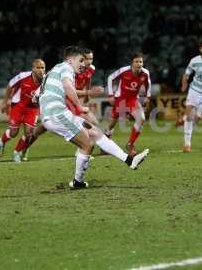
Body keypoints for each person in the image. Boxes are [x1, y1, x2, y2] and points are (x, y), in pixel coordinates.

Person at [39, 46, 149, 189]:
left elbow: (38, 94)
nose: (83, 64)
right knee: (87, 144)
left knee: (95, 132)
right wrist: (79, 107)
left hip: (57, 114)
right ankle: (78, 182)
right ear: (70, 60)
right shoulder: (66, 68)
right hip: (57, 114)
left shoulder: (54, 71)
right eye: (81, 60)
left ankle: (129, 160)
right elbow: (67, 87)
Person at [18, 48, 103, 157]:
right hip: (62, 101)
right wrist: (89, 92)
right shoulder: (70, 68)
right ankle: (23, 148)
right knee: (39, 130)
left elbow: (87, 80)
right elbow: (68, 89)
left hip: (72, 102)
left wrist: (87, 95)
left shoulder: (90, 69)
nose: (89, 61)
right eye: (85, 59)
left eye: (91, 59)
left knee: (93, 123)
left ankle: (87, 149)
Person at [0, 59, 46, 162]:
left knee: (29, 133)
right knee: (14, 132)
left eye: (42, 68)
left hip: (33, 108)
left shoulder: (46, 81)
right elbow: (10, 85)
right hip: (18, 106)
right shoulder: (23, 76)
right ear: (32, 69)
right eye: (38, 67)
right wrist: (5, 102)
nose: (41, 70)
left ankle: (17, 152)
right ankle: (2, 140)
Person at [105, 52, 151, 155]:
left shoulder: (145, 73)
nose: (139, 64)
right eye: (136, 61)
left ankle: (130, 144)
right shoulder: (124, 70)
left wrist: (148, 97)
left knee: (141, 119)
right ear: (132, 63)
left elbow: (148, 84)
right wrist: (110, 95)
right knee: (112, 124)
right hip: (120, 99)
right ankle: (105, 143)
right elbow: (110, 78)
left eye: (141, 61)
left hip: (133, 100)